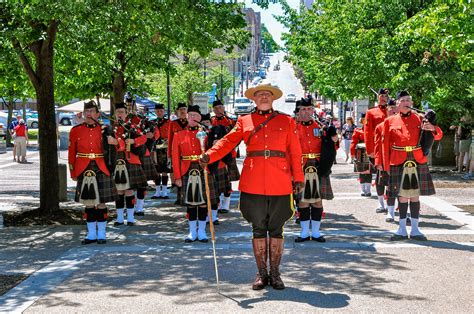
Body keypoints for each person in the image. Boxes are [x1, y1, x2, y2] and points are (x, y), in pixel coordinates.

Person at [200, 80, 304, 290]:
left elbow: (295, 151)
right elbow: (228, 142)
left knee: (276, 228)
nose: (264, 97)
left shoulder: (287, 121)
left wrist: (299, 178)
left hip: (280, 181)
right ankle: (261, 273)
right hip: (253, 181)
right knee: (258, 228)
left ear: (273, 98)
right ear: (254, 99)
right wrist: (209, 156)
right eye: (260, 94)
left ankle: (275, 273)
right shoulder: (244, 120)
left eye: (267, 94)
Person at [382, 91, 443, 241]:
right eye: (403, 100)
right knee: (402, 197)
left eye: (409, 100)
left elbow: (439, 135)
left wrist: (432, 128)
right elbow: (385, 146)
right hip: (398, 160)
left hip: (417, 159)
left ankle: (415, 230)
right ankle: (401, 229)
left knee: (415, 196)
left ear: (412, 103)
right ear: (397, 104)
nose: (406, 102)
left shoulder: (421, 119)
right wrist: (385, 166)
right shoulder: (389, 122)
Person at [68, 100, 117, 245]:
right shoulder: (75, 130)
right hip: (83, 168)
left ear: (98, 114)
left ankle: (102, 234)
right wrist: (73, 172)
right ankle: (91, 234)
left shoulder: (105, 129)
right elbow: (72, 153)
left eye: (91, 112)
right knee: (89, 204)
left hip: (101, 166)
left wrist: (115, 142)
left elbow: (118, 146)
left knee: (101, 203)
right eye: (86, 112)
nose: (88, 114)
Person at [172, 106, 218, 243]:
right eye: (190, 115)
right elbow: (175, 157)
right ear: (186, 117)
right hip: (187, 170)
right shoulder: (179, 135)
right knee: (191, 204)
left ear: (200, 118)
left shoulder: (207, 134)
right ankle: (192, 232)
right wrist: (177, 177)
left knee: (203, 202)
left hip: (203, 169)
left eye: (195, 115)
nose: (192, 117)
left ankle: (202, 232)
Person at [295, 98, 337, 243]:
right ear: (299, 111)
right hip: (301, 166)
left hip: (319, 166)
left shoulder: (322, 127)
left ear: (313, 110)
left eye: (308, 109)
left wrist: (333, 138)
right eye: (303, 109)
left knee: (317, 201)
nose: (306, 112)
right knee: (303, 202)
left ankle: (317, 232)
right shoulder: (293, 128)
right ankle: (304, 232)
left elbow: (333, 147)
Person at [110, 102, 148, 226]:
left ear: (126, 114)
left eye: (122, 112)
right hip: (116, 160)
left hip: (130, 160)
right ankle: (120, 218)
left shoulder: (132, 126)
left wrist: (133, 140)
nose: (119, 114)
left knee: (129, 191)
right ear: (115, 114)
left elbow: (143, 138)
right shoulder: (111, 128)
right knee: (119, 191)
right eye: (118, 112)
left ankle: (130, 218)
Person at [210, 99, 240, 213]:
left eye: (220, 108)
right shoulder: (211, 121)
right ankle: (217, 204)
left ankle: (226, 205)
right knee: (215, 180)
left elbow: (237, 137)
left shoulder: (231, 122)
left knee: (227, 180)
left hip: (228, 154)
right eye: (216, 108)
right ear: (213, 109)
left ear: (223, 108)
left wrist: (231, 147)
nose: (218, 110)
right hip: (215, 154)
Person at [374, 99, 398, 222]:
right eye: (391, 108)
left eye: (395, 107)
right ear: (387, 109)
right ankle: (386, 208)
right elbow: (377, 146)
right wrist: (378, 162)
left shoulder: (401, 124)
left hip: (399, 160)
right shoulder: (380, 127)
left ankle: (402, 210)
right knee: (383, 184)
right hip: (385, 160)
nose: (393, 110)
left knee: (399, 187)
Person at [168, 102, 188, 205]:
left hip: (186, 153)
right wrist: (169, 155)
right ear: (177, 112)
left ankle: (186, 197)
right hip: (177, 153)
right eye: (181, 110)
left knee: (185, 175)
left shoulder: (191, 122)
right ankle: (179, 197)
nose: (183, 111)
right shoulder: (173, 123)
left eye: (184, 109)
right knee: (178, 174)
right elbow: (170, 139)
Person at [151, 103, 171, 199]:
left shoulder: (169, 122)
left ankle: (165, 191)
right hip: (155, 149)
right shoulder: (152, 122)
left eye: (161, 111)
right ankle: (157, 191)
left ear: (164, 111)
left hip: (165, 148)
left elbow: (172, 134)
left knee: (165, 170)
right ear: (155, 111)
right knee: (156, 170)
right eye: (157, 111)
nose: (159, 112)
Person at [350, 115, 372, 196]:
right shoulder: (357, 130)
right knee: (362, 171)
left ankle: (368, 190)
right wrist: (352, 154)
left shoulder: (372, 130)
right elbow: (353, 142)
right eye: (363, 120)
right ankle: (363, 190)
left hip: (370, 152)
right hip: (360, 152)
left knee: (369, 172)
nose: (365, 121)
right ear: (361, 121)